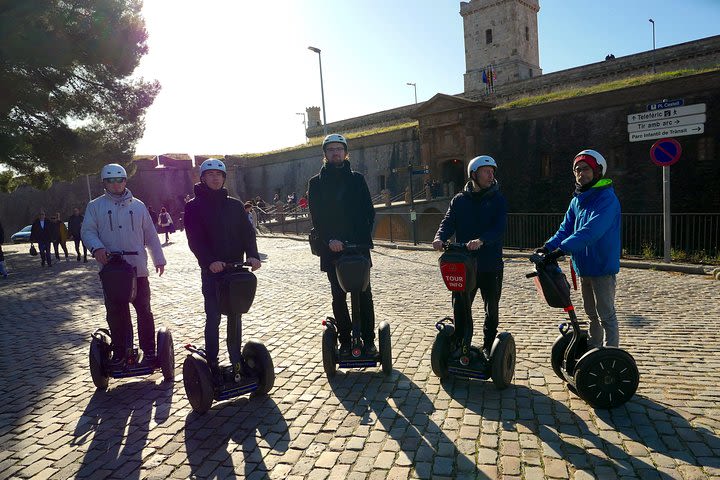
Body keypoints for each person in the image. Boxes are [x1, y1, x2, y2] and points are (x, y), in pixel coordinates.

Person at [81, 163, 166, 368]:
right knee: (116, 312)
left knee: (144, 310)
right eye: (110, 180)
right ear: (104, 183)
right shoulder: (95, 206)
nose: (116, 184)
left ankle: (149, 351)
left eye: (119, 179)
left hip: (138, 269)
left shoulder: (138, 206)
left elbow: (150, 234)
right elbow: (87, 232)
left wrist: (159, 258)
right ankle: (120, 352)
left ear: (125, 181)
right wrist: (97, 248)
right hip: (111, 271)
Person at [184, 158, 261, 378]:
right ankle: (212, 361)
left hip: (236, 270)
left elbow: (247, 234)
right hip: (213, 272)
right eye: (210, 175)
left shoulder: (235, 205)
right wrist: (209, 261)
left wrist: (253, 256)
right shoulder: (194, 206)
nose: (215, 178)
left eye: (219, 175)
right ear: (203, 178)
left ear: (224, 178)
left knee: (235, 315)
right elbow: (194, 239)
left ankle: (236, 360)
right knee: (214, 316)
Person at [538, 149, 621, 348]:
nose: (580, 173)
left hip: (601, 267)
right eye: (577, 170)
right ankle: (594, 350)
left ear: (597, 172)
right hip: (583, 268)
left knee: (606, 315)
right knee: (591, 314)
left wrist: (561, 250)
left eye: (585, 169)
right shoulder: (577, 201)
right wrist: (547, 247)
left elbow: (591, 230)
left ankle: (611, 354)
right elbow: (565, 229)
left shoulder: (606, 199)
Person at [432, 155, 507, 361]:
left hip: (490, 264)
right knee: (460, 306)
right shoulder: (459, 200)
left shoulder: (497, 199)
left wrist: (482, 240)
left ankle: (488, 346)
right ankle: (460, 343)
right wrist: (440, 237)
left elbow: (499, 228)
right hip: (464, 264)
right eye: (486, 171)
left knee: (491, 309)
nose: (491, 175)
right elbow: (448, 222)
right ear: (474, 174)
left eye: (492, 172)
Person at [308, 133, 377, 356]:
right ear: (325, 155)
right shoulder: (316, 183)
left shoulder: (357, 179)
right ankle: (345, 341)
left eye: (339, 149)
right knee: (339, 295)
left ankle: (369, 340)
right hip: (332, 248)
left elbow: (369, 211)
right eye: (331, 150)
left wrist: (362, 239)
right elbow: (317, 217)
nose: (336, 153)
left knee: (365, 294)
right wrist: (330, 240)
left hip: (358, 247)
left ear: (346, 152)